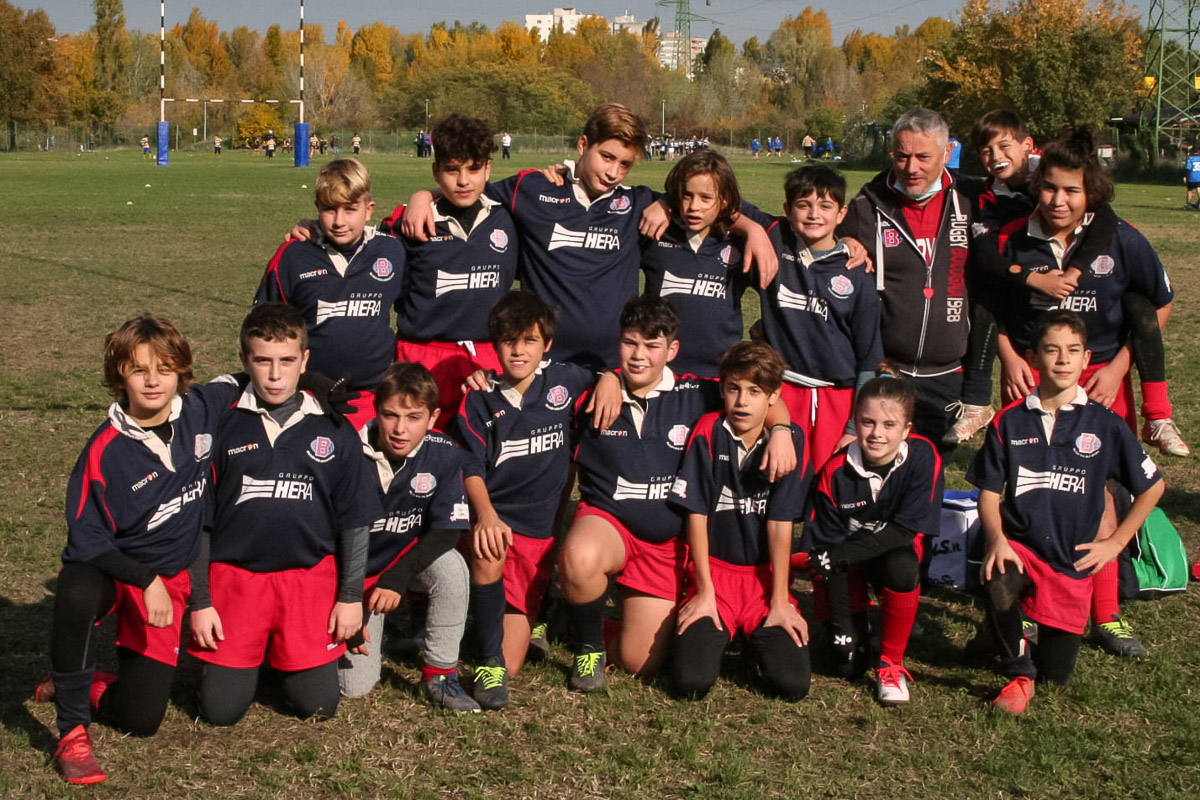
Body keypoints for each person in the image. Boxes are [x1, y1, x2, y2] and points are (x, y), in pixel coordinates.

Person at [401, 103, 778, 373]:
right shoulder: (529, 189)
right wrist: (421, 196)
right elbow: (467, 188)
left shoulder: (638, 205)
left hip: (613, 368)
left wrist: (752, 228)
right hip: (539, 362)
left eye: (625, 164)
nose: (614, 171)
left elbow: (711, 200)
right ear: (583, 146)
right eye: (606, 157)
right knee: (548, 470)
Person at [993, 127, 1178, 656]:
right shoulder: (1013, 238)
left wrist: (1121, 366)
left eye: (1071, 191)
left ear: (1089, 193)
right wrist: (1009, 357)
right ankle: (1018, 610)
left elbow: (1158, 304)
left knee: (1098, 496)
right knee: (1025, 490)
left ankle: (1105, 612)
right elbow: (993, 312)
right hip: (1030, 376)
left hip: (1097, 379)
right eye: (1049, 188)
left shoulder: (1120, 238)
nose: (1058, 200)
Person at [558, 296, 797, 691]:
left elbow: (758, 398)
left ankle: (587, 617)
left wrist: (785, 431)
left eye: (652, 346)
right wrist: (605, 376)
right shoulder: (590, 395)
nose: (639, 356)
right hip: (611, 524)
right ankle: (587, 649)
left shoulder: (697, 394)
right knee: (581, 557)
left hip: (666, 547)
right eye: (630, 343)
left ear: (672, 351)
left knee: (641, 662)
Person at [38, 316, 238, 784]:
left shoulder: (202, 408)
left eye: (165, 369)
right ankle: (71, 732)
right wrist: (144, 580)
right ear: (119, 376)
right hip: (117, 570)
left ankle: (84, 682)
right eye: (138, 369)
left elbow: (251, 375)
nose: (153, 380)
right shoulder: (105, 450)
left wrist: (318, 384)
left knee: (141, 720)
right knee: (75, 593)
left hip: (169, 576)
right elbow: (86, 540)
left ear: (182, 373)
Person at [188, 303, 381, 727]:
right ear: (244, 360)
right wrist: (201, 602)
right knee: (220, 712)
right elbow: (199, 522)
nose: (275, 375)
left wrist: (349, 598)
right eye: (262, 361)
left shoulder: (333, 425)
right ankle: (249, 657)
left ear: (305, 361)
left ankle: (280, 657)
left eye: (287, 361)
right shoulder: (220, 424)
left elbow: (354, 519)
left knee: (318, 706)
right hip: (236, 580)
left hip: (306, 581)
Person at [968, 309, 1164, 714]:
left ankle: (1005, 633)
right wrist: (997, 539)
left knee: (1057, 675)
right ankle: (1018, 673)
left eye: (1072, 351)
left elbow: (1153, 486)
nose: (1062, 359)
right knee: (997, 575)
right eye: (1051, 350)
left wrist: (1115, 543)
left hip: (1071, 561)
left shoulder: (1106, 424)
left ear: (1086, 358)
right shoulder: (1009, 421)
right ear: (1033, 358)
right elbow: (988, 493)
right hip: (1020, 546)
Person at [456, 291, 596, 708]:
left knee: (519, 660)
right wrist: (485, 517)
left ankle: (538, 611)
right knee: (488, 547)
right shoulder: (478, 398)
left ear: (547, 345)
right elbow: (471, 468)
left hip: (539, 538)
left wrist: (607, 379)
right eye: (508, 341)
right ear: (494, 344)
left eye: (530, 341)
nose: (519, 350)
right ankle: (487, 662)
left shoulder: (566, 381)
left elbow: (602, 375)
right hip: (496, 526)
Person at [669, 341, 812, 701]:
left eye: (754, 391)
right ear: (722, 389)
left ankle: (755, 636)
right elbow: (696, 514)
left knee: (793, 686)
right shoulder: (707, 430)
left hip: (764, 580)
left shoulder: (789, 440)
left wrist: (780, 601)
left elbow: (781, 525)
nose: (742, 401)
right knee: (691, 683)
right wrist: (704, 591)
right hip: (715, 574)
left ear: (774, 397)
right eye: (733, 389)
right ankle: (722, 634)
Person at [338, 362, 479, 712]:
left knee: (452, 569)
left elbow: (448, 530)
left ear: (432, 418)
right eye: (390, 415)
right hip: (347, 577)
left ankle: (440, 674)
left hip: (397, 566)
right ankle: (368, 629)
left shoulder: (444, 452)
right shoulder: (347, 451)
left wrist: (397, 578)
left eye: (413, 417)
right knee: (354, 687)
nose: (400, 429)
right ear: (377, 411)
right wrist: (348, 599)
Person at [801, 367, 944, 705]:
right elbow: (826, 554)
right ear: (855, 421)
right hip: (843, 566)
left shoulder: (924, 457)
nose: (877, 434)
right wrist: (838, 622)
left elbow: (905, 532)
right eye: (867, 423)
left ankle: (890, 662)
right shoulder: (834, 472)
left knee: (902, 566)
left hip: (891, 552)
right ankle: (855, 628)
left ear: (907, 429)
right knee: (845, 664)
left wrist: (837, 557)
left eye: (889, 425)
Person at [836, 108, 974, 445]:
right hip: (887, 369)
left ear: (948, 152)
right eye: (902, 156)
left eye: (923, 157)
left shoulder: (972, 201)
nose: (911, 168)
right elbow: (817, 245)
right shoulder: (866, 206)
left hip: (947, 374)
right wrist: (844, 241)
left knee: (930, 476)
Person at [381, 114, 518, 421]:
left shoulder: (508, 217)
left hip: (489, 356)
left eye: (473, 168)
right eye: (452, 170)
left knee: (483, 454)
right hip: (421, 355)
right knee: (421, 455)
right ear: (436, 171)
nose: (463, 180)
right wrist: (310, 231)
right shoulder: (409, 223)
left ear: (488, 168)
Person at [256, 157, 406, 430]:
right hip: (308, 396)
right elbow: (261, 329)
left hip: (375, 398)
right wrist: (306, 380)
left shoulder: (393, 250)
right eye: (329, 209)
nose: (339, 221)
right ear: (317, 209)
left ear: (369, 209)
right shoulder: (294, 255)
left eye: (350, 209)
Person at [750, 165, 883, 470]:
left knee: (829, 489)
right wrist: (752, 229)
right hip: (780, 393)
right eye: (803, 205)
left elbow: (868, 359)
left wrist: (853, 428)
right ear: (787, 209)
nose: (813, 215)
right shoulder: (775, 239)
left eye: (825, 206)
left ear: (841, 214)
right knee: (776, 481)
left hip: (837, 400)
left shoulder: (857, 273)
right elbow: (727, 203)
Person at [640, 149, 752, 377]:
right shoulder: (654, 234)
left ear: (724, 201)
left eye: (706, 198)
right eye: (687, 195)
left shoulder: (740, 244)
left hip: (719, 376)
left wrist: (755, 230)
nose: (694, 206)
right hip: (658, 374)